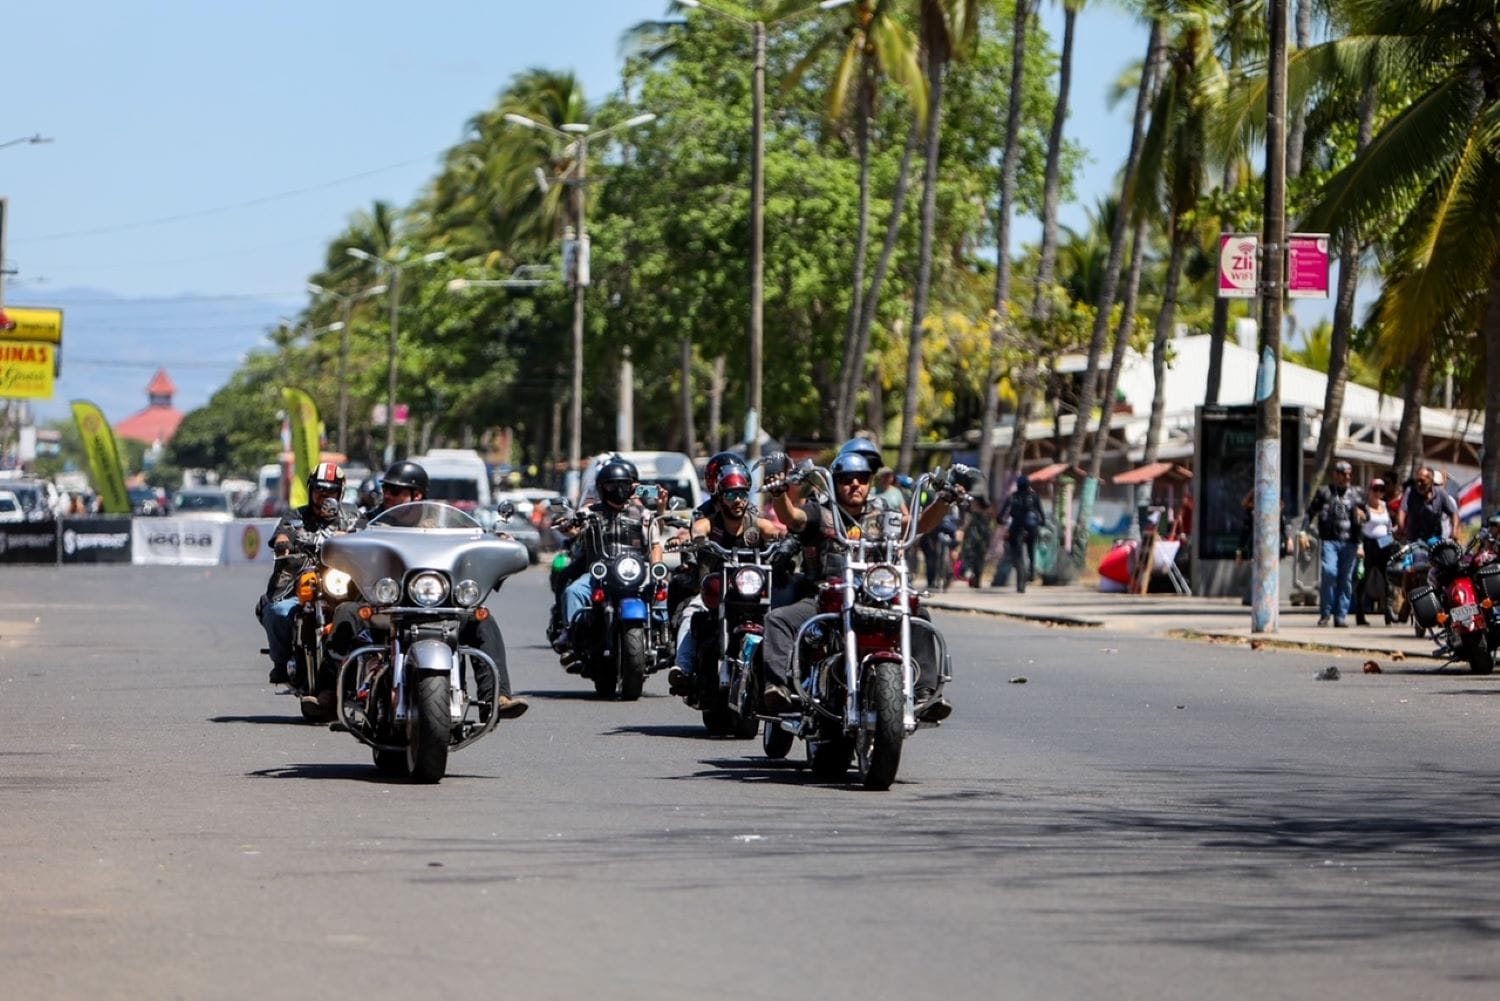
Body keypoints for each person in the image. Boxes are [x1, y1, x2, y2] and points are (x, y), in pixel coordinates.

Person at [760, 441, 965, 723]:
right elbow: (792, 518)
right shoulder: (820, 512)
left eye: (862, 479)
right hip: (825, 597)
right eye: (846, 479)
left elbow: (918, 525)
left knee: (920, 615)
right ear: (835, 482)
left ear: (870, 483)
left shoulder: (882, 514)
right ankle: (779, 687)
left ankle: (925, 693)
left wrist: (944, 501)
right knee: (778, 620)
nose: (855, 484)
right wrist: (779, 493)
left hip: (875, 595)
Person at [315, 460, 528, 722]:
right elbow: (349, 539)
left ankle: (496, 699)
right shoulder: (369, 523)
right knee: (346, 612)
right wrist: (342, 539)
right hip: (384, 609)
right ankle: (328, 694)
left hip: (440, 608)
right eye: (386, 489)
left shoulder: (443, 524)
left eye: (395, 490)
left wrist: (498, 540)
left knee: (483, 621)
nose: (387, 495)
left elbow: (475, 538)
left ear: (417, 495)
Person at [667, 455, 786, 695]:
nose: (738, 500)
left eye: (742, 494)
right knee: (692, 612)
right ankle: (683, 666)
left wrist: (784, 537)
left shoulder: (754, 519)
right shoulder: (710, 519)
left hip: (750, 587)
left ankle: (779, 679)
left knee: (778, 617)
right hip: (715, 586)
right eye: (731, 495)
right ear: (720, 499)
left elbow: (772, 530)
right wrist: (695, 538)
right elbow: (699, 528)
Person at [258, 462, 359, 687]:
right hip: (299, 583)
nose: (324, 495)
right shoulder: (295, 516)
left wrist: (351, 538)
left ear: (340, 492)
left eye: (330, 490)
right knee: (278, 612)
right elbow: (282, 535)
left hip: (343, 585)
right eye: (319, 489)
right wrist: (283, 543)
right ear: (310, 489)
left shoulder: (353, 516)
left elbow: (370, 536)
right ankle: (281, 663)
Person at [554, 455, 665, 656]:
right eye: (611, 485)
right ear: (601, 488)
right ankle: (571, 635)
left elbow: (655, 544)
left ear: (632, 486)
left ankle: (664, 634)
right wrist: (567, 524)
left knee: (664, 591)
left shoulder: (643, 514)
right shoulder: (590, 513)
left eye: (623, 485)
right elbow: (574, 529)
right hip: (601, 573)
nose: (618, 489)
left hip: (636, 572)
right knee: (573, 591)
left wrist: (657, 568)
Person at [1301, 460, 1368, 627]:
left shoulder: (1357, 494)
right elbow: (1310, 513)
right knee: (1329, 572)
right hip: (1330, 540)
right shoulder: (1324, 492)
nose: (1347, 477)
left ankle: (1340, 616)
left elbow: (1367, 515)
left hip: (1350, 542)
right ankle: (1325, 614)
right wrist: (1303, 533)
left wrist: (1364, 515)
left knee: (1345, 579)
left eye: (1350, 474)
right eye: (1344, 474)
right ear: (1335, 475)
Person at [995, 475, 1046, 592]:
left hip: (1016, 528)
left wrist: (1001, 520)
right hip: (1031, 528)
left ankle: (1019, 570)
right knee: (1031, 549)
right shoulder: (1034, 496)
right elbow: (1041, 514)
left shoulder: (1012, 497)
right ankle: (1031, 571)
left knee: (1016, 554)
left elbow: (1001, 515)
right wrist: (1041, 522)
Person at [1359, 477, 1396, 625]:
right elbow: (1360, 527)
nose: (1378, 492)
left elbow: (1389, 526)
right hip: (1369, 543)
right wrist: (1360, 546)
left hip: (1384, 543)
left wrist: (1391, 538)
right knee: (1364, 578)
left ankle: (1388, 612)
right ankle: (1360, 614)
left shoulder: (1385, 506)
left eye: (1381, 489)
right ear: (1369, 490)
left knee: (1387, 579)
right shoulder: (1364, 507)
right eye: (1375, 489)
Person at [1400, 465, 1458, 543]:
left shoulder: (1440, 493)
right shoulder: (1410, 491)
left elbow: (1454, 513)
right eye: (1417, 481)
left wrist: (1454, 531)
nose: (1419, 484)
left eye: (1422, 481)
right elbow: (1402, 510)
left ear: (1431, 481)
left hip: (1434, 539)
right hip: (1414, 539)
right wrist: (1402, 528)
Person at [957, 495, 992, 588]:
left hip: (975, 543)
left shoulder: (976, 517)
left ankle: (975, 578)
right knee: (977, 561)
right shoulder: (984, 517)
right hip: (977, 544)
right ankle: (975, 579)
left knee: (976, 561)